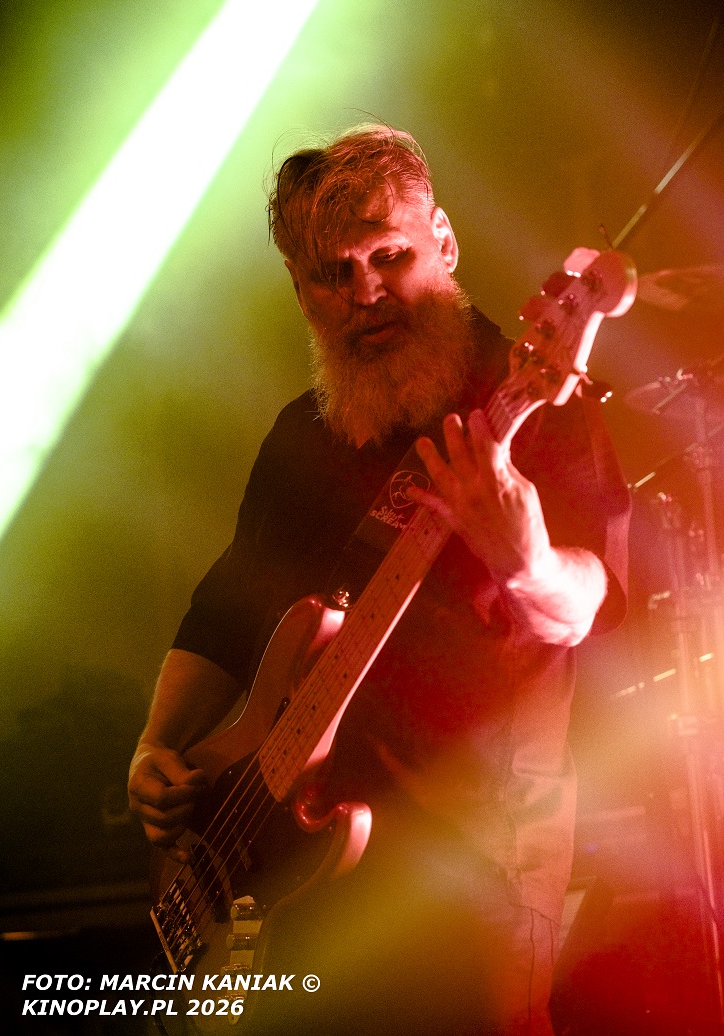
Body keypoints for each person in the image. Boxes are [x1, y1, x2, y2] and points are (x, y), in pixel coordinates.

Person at [128, 125, 629, 1035]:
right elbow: (226, 610)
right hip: (287, 864)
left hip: (474, 854)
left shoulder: (535, 401)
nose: (365, 292)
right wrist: (155, 746)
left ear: (444, 241)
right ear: (300, 289)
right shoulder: (302, 434)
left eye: (388, 256)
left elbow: (591, 605)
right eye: (333, 274)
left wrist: (529, 564)